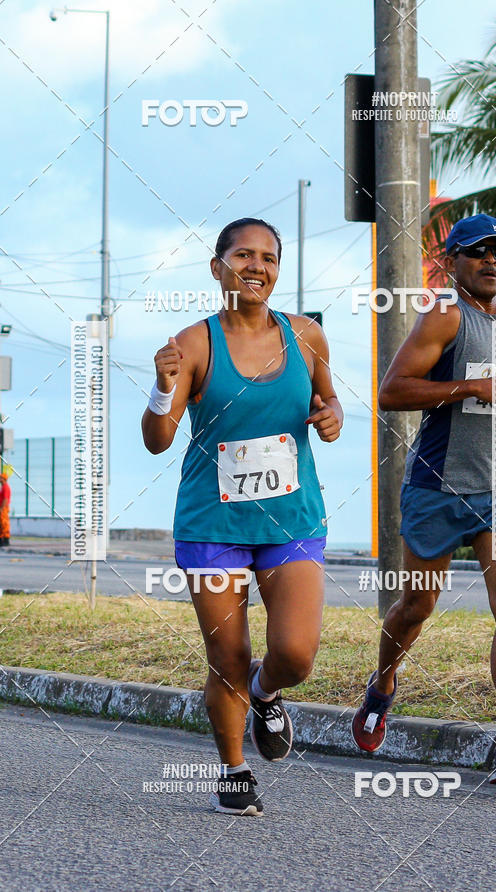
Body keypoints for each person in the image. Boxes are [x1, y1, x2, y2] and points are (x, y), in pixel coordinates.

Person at [142, 217, 343, 815]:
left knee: (297, 654)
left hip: (292, 518)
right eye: (243, 255)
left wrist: (331, 415)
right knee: (226, 657)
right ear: (217, 267)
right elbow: (157, 439)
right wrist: (161, 386)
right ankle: (233, 771)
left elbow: (326, 398)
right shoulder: (195, 344)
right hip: (215, 526)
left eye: (269, 258)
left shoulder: (306, 336)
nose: (257, 266)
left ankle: (266, 691)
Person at [352, 214, 496, 785]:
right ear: (453, 262)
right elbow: (392, 392)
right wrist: (466, 386)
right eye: (478, 252)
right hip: (438, 486)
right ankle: (384, 683)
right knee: (418, 606)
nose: (492, 261)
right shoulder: (444, 315)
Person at [0, 472, 11, 547]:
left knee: (4, 524)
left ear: (4, 479)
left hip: (3, 508)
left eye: (1, 478)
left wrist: (1, 508)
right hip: (2, 508)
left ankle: (6, 540)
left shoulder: (6, 487)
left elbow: (5, 499)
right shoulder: (3, 487)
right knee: (1, 524)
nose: (0, 479)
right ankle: (2, 539)